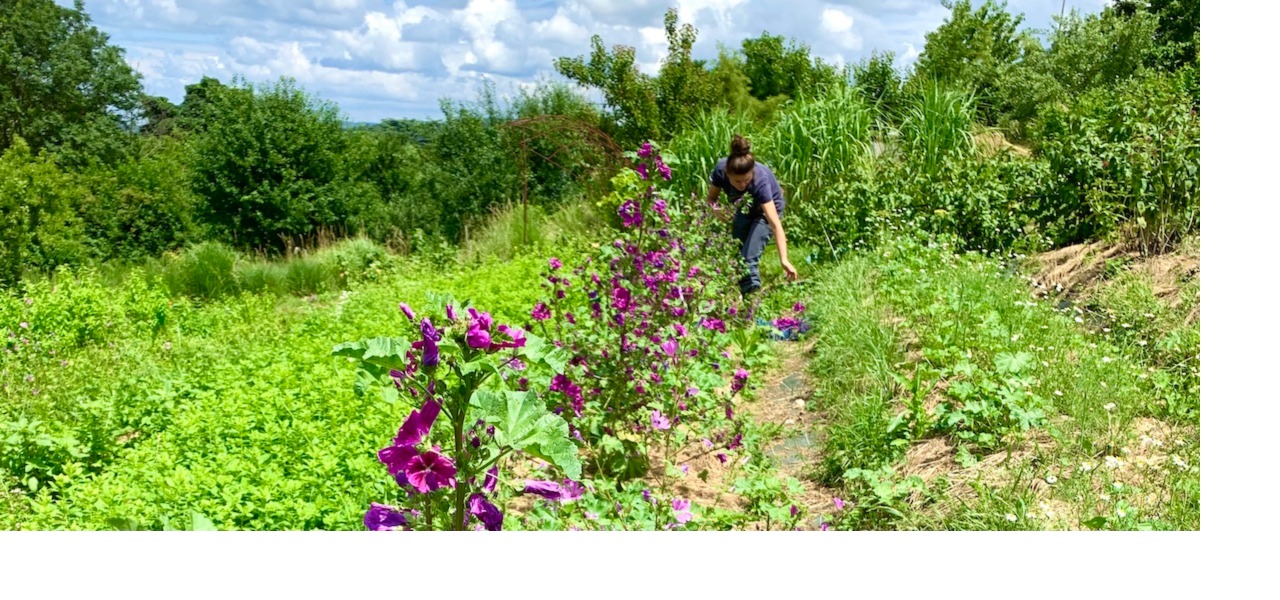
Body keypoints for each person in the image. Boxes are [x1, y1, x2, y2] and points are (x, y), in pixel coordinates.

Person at [706, 134, 798, 297]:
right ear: (727, 174)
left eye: (746, 180)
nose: (742, 185)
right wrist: (715, 209)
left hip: (766, 211)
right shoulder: (721, 170)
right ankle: (736, 295)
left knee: (748, 259)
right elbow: (710, 199)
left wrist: (784, 259)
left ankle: (752, 301)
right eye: (737, 181)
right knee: (736, 253)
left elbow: (775, 224)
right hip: (744, 208)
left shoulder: (759, 181)